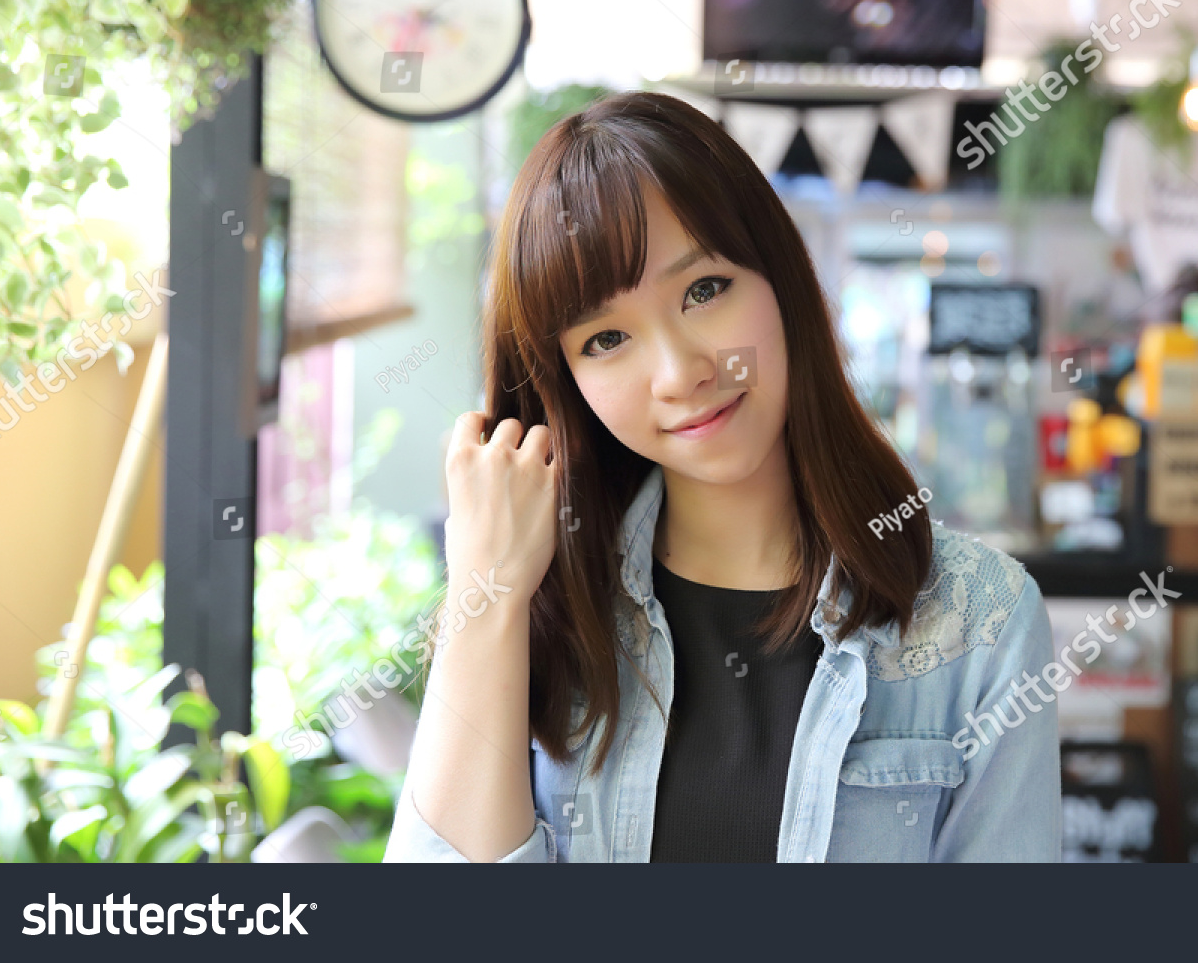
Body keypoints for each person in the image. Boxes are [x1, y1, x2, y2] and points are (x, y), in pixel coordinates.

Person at [383, 91, 1059, 863]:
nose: (680, 373)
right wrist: (489, 593)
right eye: (606, 338)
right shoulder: (542, 614)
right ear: (563, 384)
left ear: (778, 278)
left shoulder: (979, 622)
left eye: (704, 290)